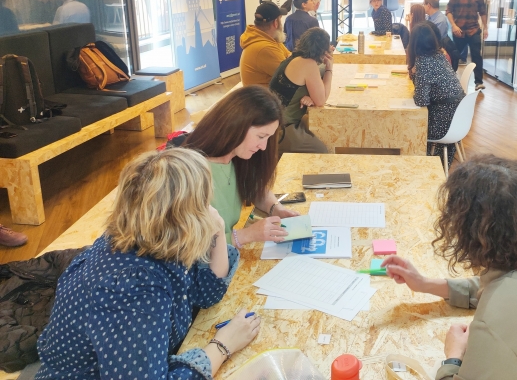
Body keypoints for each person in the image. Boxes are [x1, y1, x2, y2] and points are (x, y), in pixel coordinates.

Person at [36, 149, 260, 378]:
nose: (209, 210)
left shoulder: (154, 238)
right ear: (181, 216)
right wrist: (222, 346)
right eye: (203, 202)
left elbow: (206, 292)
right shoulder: (132, 289)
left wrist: (218, 232)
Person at [382, 155, 517, 380]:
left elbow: (499, 305)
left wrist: (454, 356)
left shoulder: (493, 325)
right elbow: (494, 288)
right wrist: (426, 284)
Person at [178, 86, 300, 247]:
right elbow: (187, 246)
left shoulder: (237, 157)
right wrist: (244, 235)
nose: (263, 147)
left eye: (268, 138)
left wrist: (275, 208)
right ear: (236, 125)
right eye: (261, 136)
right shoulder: (188, 173)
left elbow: (255, 188)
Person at [408, 22, 464, 169]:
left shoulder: (423, 62)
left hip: (444, 121)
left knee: (411, 126)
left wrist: (414, 74)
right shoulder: (439, 55)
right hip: (458, 114)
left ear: (414, 43)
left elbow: (421, 100)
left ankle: (418, 169)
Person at [269, 27, 331, 154]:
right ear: (323, 51)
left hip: (272, 121)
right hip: (281, 130)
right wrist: (330, 68)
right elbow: (321, 100)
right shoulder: (308, 64)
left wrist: (309, 95)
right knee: (322, 151)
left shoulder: (292, 59)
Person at [447, 0, 488, 90]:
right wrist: (453, 25)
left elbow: (482, 12)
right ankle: (450, 80)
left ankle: (478, 82)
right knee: (455, 55)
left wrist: (485, 27)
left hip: (474, 29)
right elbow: (448, 11)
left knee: (476, 56)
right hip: (459, 30)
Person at [239, 1, 290, 87]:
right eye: (280, 19)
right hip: (266, 99)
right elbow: (291, 76)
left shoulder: (268, 38)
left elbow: (289, 55)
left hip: (268, 94)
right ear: (275, 23)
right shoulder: (265, 48)